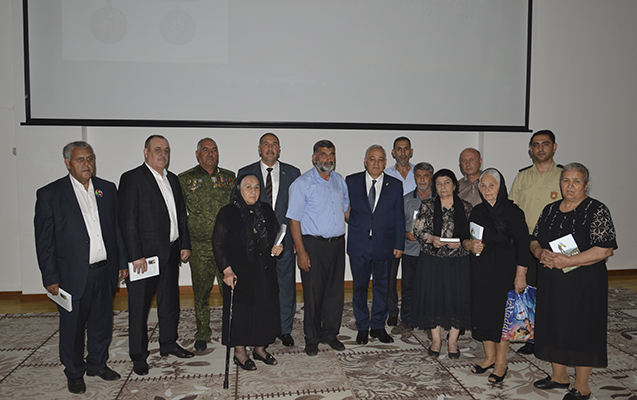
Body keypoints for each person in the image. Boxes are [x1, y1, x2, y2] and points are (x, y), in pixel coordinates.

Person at [34, 141, 128, 394]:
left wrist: (121, 261)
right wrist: (50, 276)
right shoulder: (50, 194)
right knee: (73, 327)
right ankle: (74, 372)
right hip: (71, 275)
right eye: (80, 159)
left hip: (105, 270)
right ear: (67, 163)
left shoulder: (106, 189)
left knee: (102, 323)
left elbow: (115, 228)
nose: (87, 164)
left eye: (90, 158)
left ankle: (97, 364)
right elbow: (44, 241)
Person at [530, 163, 616, 400]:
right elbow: (534, 239)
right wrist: (539, 253)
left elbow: (605, 249)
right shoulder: (550, 209)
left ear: (586, 184)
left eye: (576, 181)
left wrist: (569, 261)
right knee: (554, 325)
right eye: (566, 180)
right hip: (552, 281)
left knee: (582, 330)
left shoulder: (596, 209)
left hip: (584, 284)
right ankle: (559, 376)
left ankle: (582, 387)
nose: (570, 186)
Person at [118, 135, 193, 376]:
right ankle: (139, 355)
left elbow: (180, 214)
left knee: (170, 303)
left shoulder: (173, 179)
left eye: (166, 150)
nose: (163, 154)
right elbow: (127, 220)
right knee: (139, 308)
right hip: (144, 259)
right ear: (146, 152)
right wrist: (135, 255)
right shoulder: (132, 178)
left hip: (170, 252)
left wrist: (184, 244)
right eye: (158, 149)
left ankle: (168, 343)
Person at [462, 168, 529, 383]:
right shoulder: (477, 211)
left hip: (505, 271)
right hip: (481, 271)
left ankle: (501, 363)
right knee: (483, 313)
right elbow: (465, 238)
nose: (487, 189)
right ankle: (489, 357)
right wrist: (469, 245)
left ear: (501, 188)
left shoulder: (513, 212)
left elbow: (523, 245)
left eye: (492, 185)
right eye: (483, 186)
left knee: (502, 316)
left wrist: (521, 275)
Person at [212, 174, 283, 370]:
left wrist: (279, 247)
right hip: (238, 272)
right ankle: (240, 353)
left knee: (264, 309)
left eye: (257, 187)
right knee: (241, 313)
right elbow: (218, 244)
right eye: (248, 187)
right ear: (239, 190)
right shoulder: (228, 212)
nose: (253, 191)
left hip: (264, 270)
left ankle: (260, 349)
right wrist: (226, 270)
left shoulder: (266, 210)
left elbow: (276, 235)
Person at [286, 140, 350, 356]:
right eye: (323, 154)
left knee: (335, 293)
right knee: (313, 294)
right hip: (312, 245)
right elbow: (294, 220)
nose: (328, 159)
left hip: (337, 244)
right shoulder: (302, 183)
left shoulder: (340, 181)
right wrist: (301, 251)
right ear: (314, 158)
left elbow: (346, 212)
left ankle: (330, 334)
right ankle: (312, 337)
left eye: (332, 154)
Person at [237, 132, 301, 347]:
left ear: (279, 149)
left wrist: (297, 241)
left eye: (274, 144)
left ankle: (285, 329)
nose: (270, 148)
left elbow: (298, 208)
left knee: (286, 286)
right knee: (259, 288)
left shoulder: (293, 173)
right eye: (266, 144)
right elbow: (238, 207)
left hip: (285, 242)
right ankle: (262, 327)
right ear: (259, 149)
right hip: (255, 244)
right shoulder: (245, 172)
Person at [178, 138, 235, 352]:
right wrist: (184, 244)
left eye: (214, 150)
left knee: (230, 291)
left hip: (225, 248)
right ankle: (202, 333)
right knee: (201, 293)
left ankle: (231, 330)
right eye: (205, 150)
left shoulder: (229, 178)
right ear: (197, 154)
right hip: (199, 247)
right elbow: (180, 215)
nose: (210, 154)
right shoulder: (185, 179)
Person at [509, 129, 562, 355]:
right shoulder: (523, 176)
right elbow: (512, 208)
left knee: (554, 291)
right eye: (536, 145)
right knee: (529, 291)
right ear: (530, 149)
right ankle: (531, 337)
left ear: (554, 147)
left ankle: (553, 333)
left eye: (545, 144)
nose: (540, 148)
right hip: (527, 241)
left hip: (554, 243)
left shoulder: (563, 175)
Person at [346, 145, 405, 345]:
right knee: (359, 287)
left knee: (382, 287)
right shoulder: (351, 181)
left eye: (380, 159)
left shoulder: (395, 185)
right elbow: (344, 208)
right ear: (365, 161)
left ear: (385, 163)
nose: (376, 163)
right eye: (372, 158)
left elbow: (399, 217)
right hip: (359, 245)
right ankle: (362, 326)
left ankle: (378, 326)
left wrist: (399, 244)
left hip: (385, 245)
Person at [412, 169, 472, 359]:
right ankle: (436, 340)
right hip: (432, 260)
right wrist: (432, 239)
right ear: (434, 187)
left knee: (456, 299)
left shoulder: (466, 207)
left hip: (458, 260)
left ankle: (453, 341)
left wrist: (464, 242)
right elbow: (417, 231)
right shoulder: (427, 205)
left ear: (454, 185)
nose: (443, 187)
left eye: (447, 182)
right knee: (433, 298)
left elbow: (472, 234)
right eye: (438, 183)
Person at [392, 162, 435, 335]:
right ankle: (407, 321)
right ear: (414, 177)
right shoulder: (406, 200)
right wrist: (405, 234)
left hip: (433, 252)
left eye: (425, 176)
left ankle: (429, 323)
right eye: (418, 176)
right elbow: (397, 224)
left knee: (431, 289)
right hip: (411, 251)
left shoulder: (440, 199)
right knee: (408, 288)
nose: (422, 179)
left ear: (431, 177)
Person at [384, 136, 415, 327]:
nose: (402, 152)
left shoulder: (420, 174)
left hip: (414, 237)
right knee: (389, 277)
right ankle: (392, 312)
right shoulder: (385, 175)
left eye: (406, 149)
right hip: (391, 234)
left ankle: (412, 313)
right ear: (393, 152)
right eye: (399, 149)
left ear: (411, 152)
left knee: (412, 280)